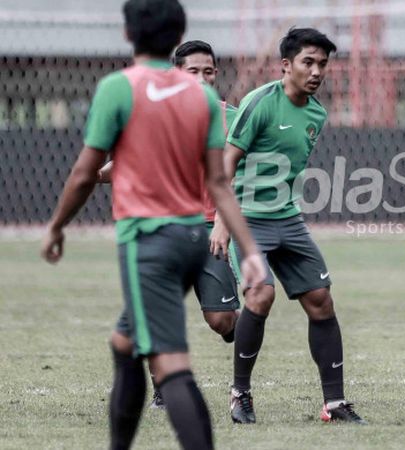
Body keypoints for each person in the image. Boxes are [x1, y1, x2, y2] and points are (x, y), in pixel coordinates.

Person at [39, 1, 265, 448]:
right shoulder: (201, 98)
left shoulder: (118, 88)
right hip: (191, 239)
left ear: (127, 34)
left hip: (149, 242)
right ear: (177, 34)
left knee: (171, 363)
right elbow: (219, 182)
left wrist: (57, 226)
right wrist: (251, 251)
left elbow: (87, 173)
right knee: (124, 344)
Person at [217, 27, 366, 425]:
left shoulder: (317, 112)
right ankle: (240, 395)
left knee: (321, 300)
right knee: (260, 295)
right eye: (308, 62)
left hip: (287, 218)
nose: (317, 71)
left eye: (322, 64)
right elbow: (226, 167)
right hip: (247, 220)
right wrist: (221, 222)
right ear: (286, 65)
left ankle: (334, 404)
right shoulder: (259, 103)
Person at [98, 39, 243, 410]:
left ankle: (238, 328)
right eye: (192, 71)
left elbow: (240, 180)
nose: (202, 78)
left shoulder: (233, 117)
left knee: (223, 320)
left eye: (208, 71)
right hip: (162, 229)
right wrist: (93, 175)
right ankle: (162, 383)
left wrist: (225, 225)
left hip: (211, 229)